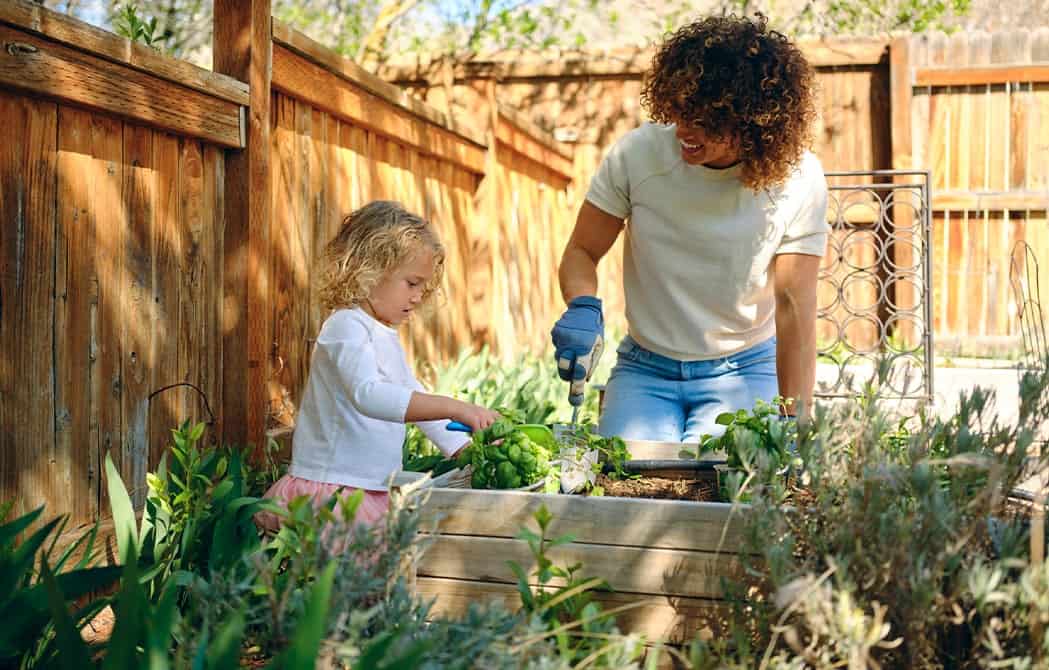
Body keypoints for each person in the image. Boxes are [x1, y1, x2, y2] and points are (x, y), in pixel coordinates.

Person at [551, 14, 829, 443]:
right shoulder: (638, 155)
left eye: (706, 121)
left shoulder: (797, 179)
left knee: (728, 487)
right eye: (681, 111)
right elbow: (581, 252)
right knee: (625, 480)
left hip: (744, 367)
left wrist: (796, 418)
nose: (684, 130)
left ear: (755, 122)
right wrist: (583, 305)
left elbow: (794, 306)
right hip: (645, 366)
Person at [257, 201, 499, 531]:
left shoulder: (382, 333)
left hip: (369, 490)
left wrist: (465, 449)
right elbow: (368, 395)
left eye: (423, 287)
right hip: (335, 492)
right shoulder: (345, 327)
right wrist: (456, 408)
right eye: (411, 283)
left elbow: (409, 393)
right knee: (344, 581)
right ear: (368, 272)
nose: (418, 296)